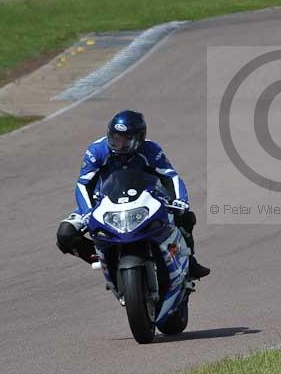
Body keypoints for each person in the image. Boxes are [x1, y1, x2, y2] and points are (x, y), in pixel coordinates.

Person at [56, 110, 211, 279]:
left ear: (139, 138)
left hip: (146, 198)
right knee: (65, 234)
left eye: (125, 139)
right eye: (115, 138)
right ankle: (105, 257)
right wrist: (87, 212)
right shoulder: (96, 150)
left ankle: (190, 261)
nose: (118, 144)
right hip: (103, 202)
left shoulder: (151, 149)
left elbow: (170, 176)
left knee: (185, 217)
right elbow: (83, 184)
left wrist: (181, 201)